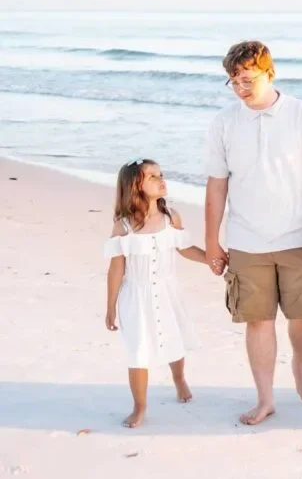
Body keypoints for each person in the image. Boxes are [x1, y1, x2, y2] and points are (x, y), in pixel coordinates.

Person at [204, 40, 302, 426]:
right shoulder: (224, 122)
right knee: (258, 319)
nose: (240, 88)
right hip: (246, 240)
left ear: (269, 73)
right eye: (233, 81)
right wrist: (212, 240)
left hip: (299, 235)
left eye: (247, 80)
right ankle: (265, 399)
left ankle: (299, 362)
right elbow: (216, 185)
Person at [103, 158, 209, 428]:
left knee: (174, 337)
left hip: (167, 290)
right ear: (134, 186)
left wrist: (210, 259)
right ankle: (139, 406)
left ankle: (179, 379)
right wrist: (110, 306)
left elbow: (184, 248)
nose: (161, 179)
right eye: (152, 176)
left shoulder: (171, 218)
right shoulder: (123, 227)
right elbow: (116, 269)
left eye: (161, 174)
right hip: (135, 297)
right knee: (137, 350)